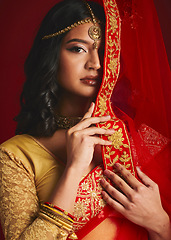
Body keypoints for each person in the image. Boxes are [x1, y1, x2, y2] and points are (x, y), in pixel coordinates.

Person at [0, 0, 171, 239]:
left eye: (103, 51)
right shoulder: (16, 155)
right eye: (78, 49)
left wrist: (160, 224)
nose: (96, 64)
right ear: (51, 54)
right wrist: (73, 169)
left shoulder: (143, 139)